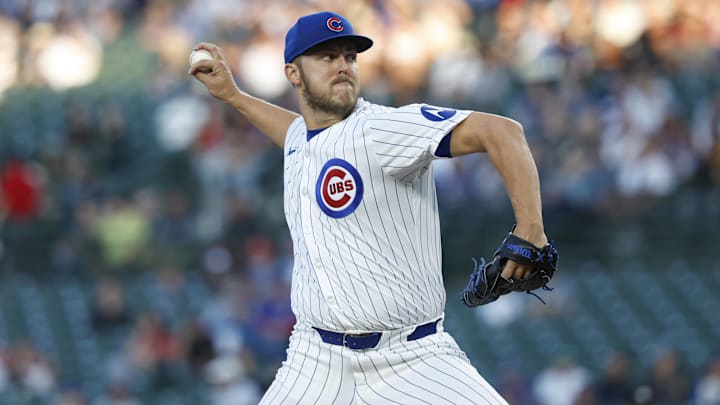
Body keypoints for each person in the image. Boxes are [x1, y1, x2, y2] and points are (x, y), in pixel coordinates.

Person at [190, 10, 548, 404]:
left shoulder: (381, 129)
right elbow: (296, 132)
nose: (342, 66)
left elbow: (503, 132)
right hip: (316, 358)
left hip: (411, 357)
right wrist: (233, 96)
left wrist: (530, 228)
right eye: (327, 57)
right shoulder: (301, 139)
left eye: (349, 56)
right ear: (293, 74)